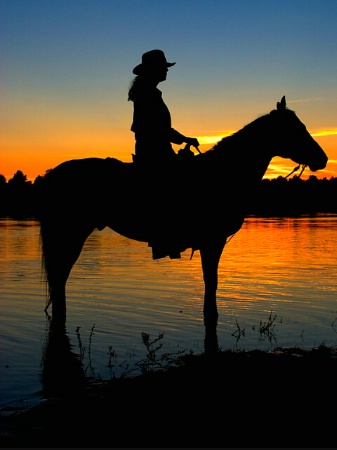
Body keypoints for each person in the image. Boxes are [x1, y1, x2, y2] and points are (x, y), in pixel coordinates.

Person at [128, 49, 199, 259]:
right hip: (153, 151)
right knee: (176, 186)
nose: (166, 72)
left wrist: (182, 139)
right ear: (153, 70)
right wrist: (182, 139)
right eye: (163, 68)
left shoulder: (148, 91)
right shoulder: (147, 93)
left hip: (155, 148)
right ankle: (167, 238)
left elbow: (160, 128)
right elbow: (155, 128)